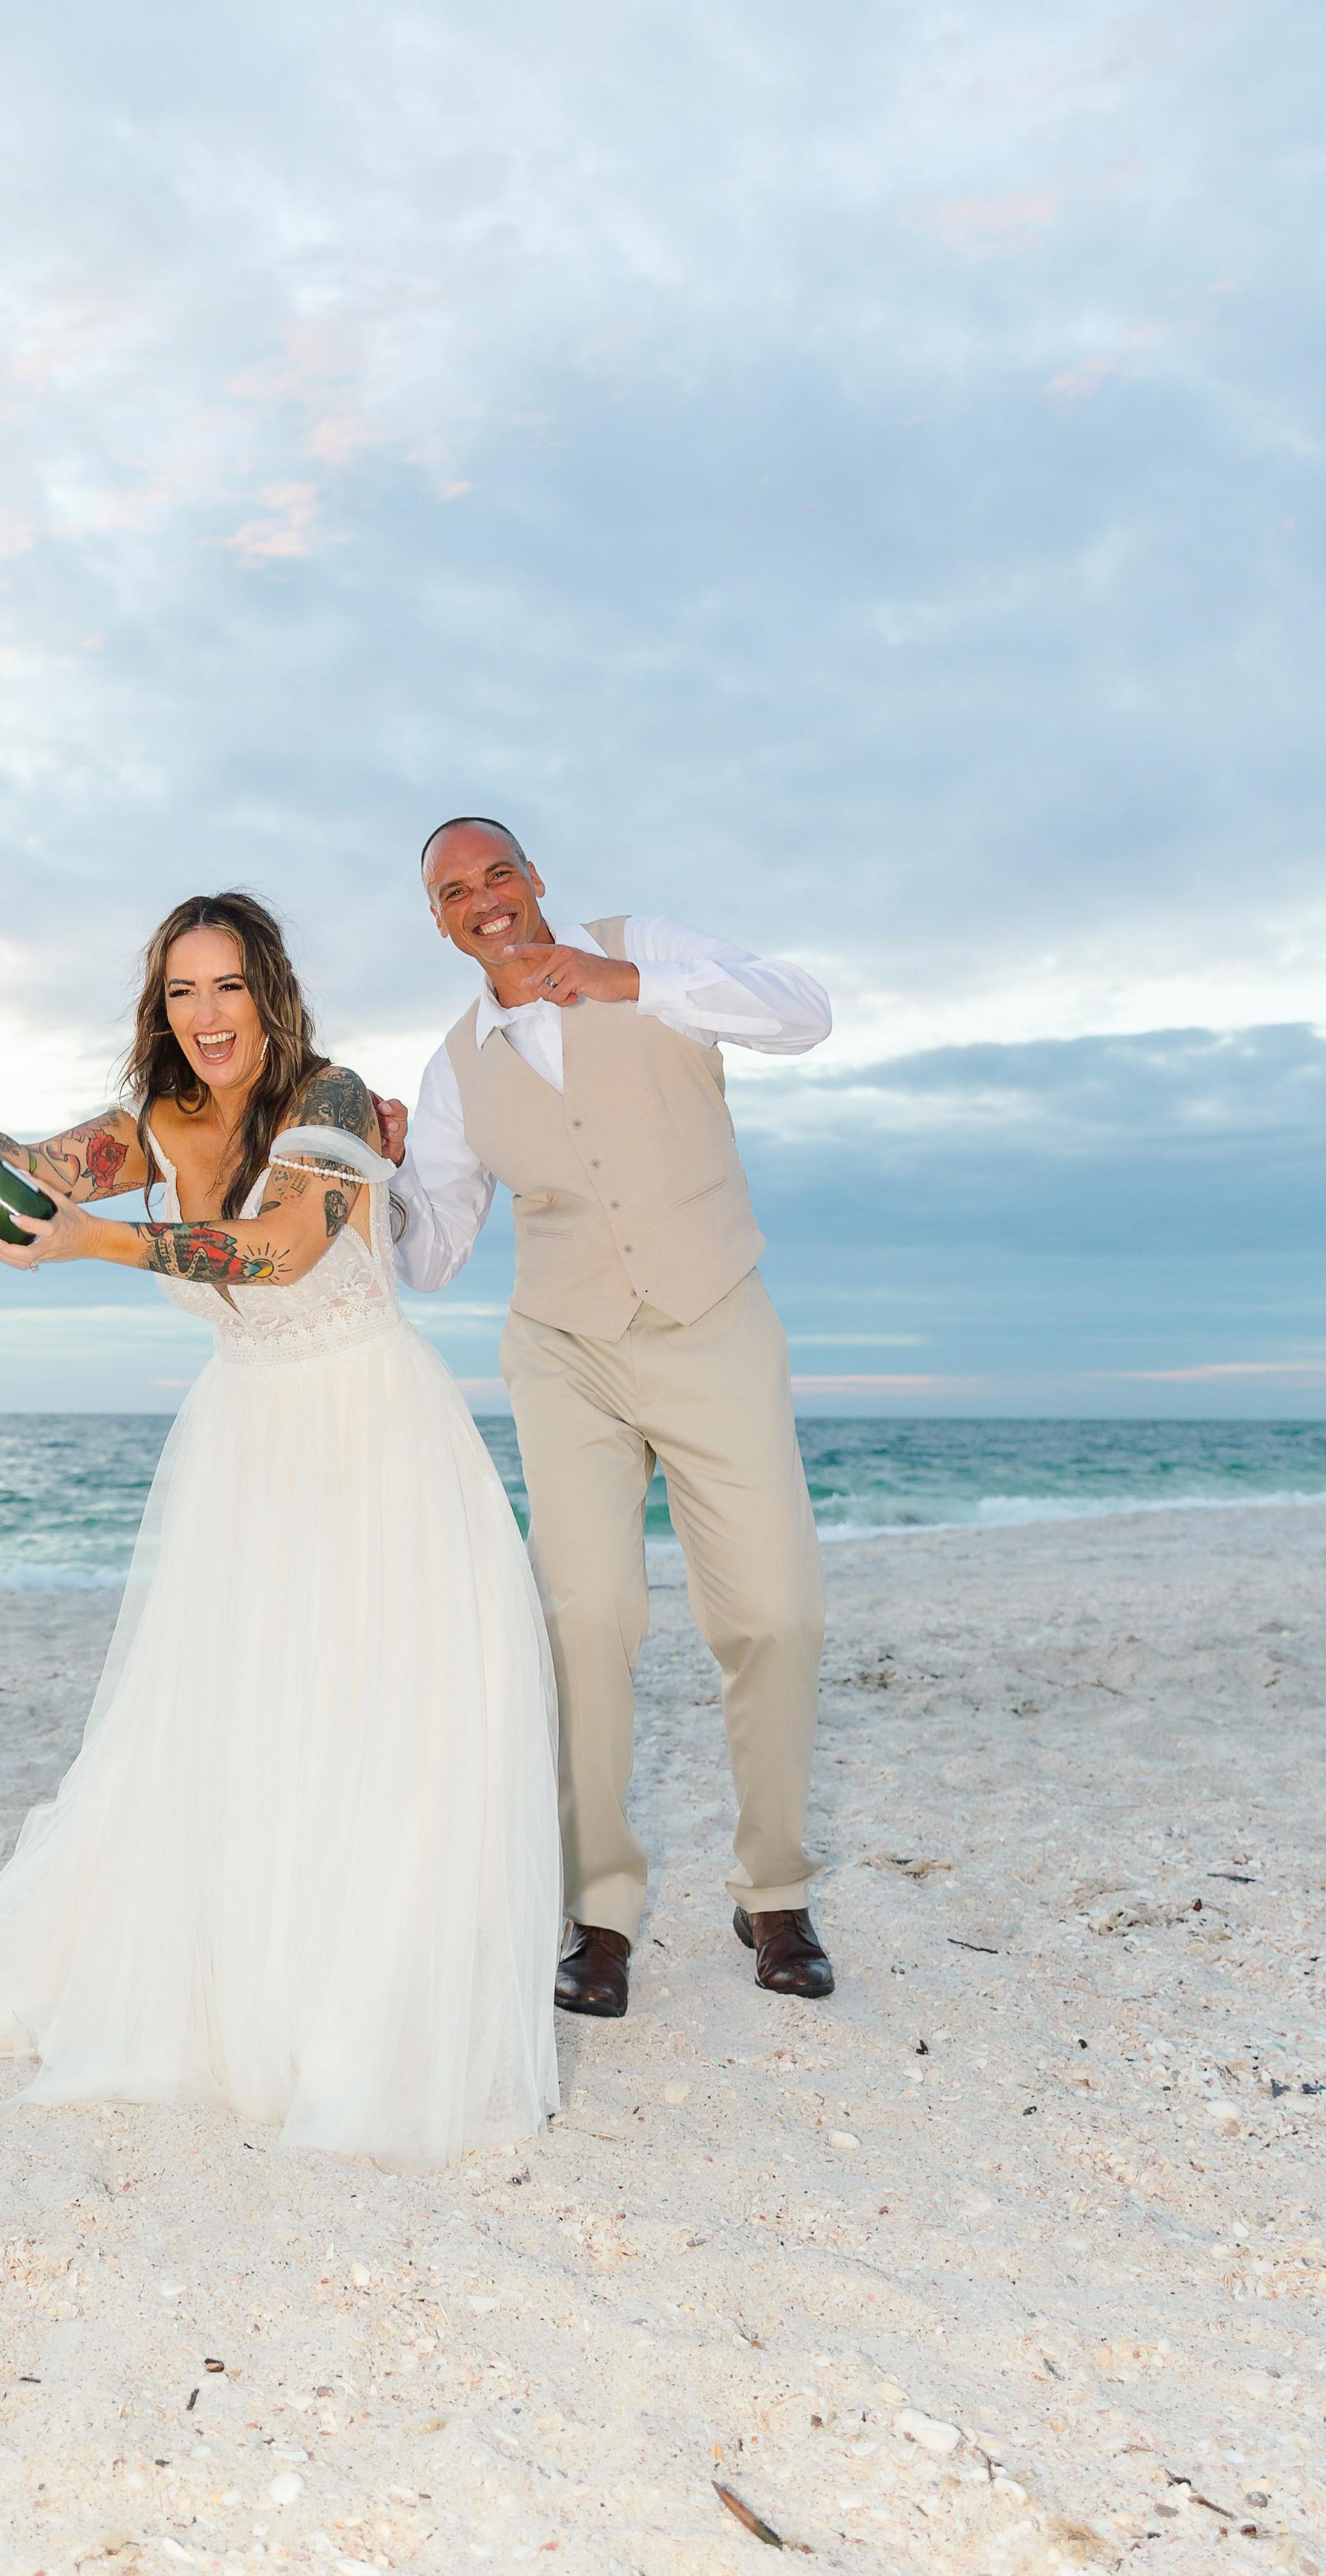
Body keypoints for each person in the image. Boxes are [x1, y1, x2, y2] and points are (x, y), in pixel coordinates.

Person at [0, 891, 560, 2172]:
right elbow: (29, 1170)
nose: (205, 1017)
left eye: (227, 987)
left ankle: (367, 2010)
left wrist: (98, 1246)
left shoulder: (335, 1100)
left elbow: (288, 1246)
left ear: (271, 992)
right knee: (246, 1722)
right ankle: (254, 1987)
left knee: (392, 1714)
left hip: (371, 1430)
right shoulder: (157, 1123)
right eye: (182, 992)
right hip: (248, 1443)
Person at [379, 820, 832, 2021]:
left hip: (713, 1321)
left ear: (536, 880)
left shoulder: (649, 951)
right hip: (565, 1349)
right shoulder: (455, 1065)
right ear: (438, 921)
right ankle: (601, 1913)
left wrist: (636, 984)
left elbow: (804, 1014)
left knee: (776, 1613)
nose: (484, 902)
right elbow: (430, 1253)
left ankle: (773, 1889)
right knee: (584, 1617)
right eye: (454, 893)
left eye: (497, 876)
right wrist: (372, 1177)